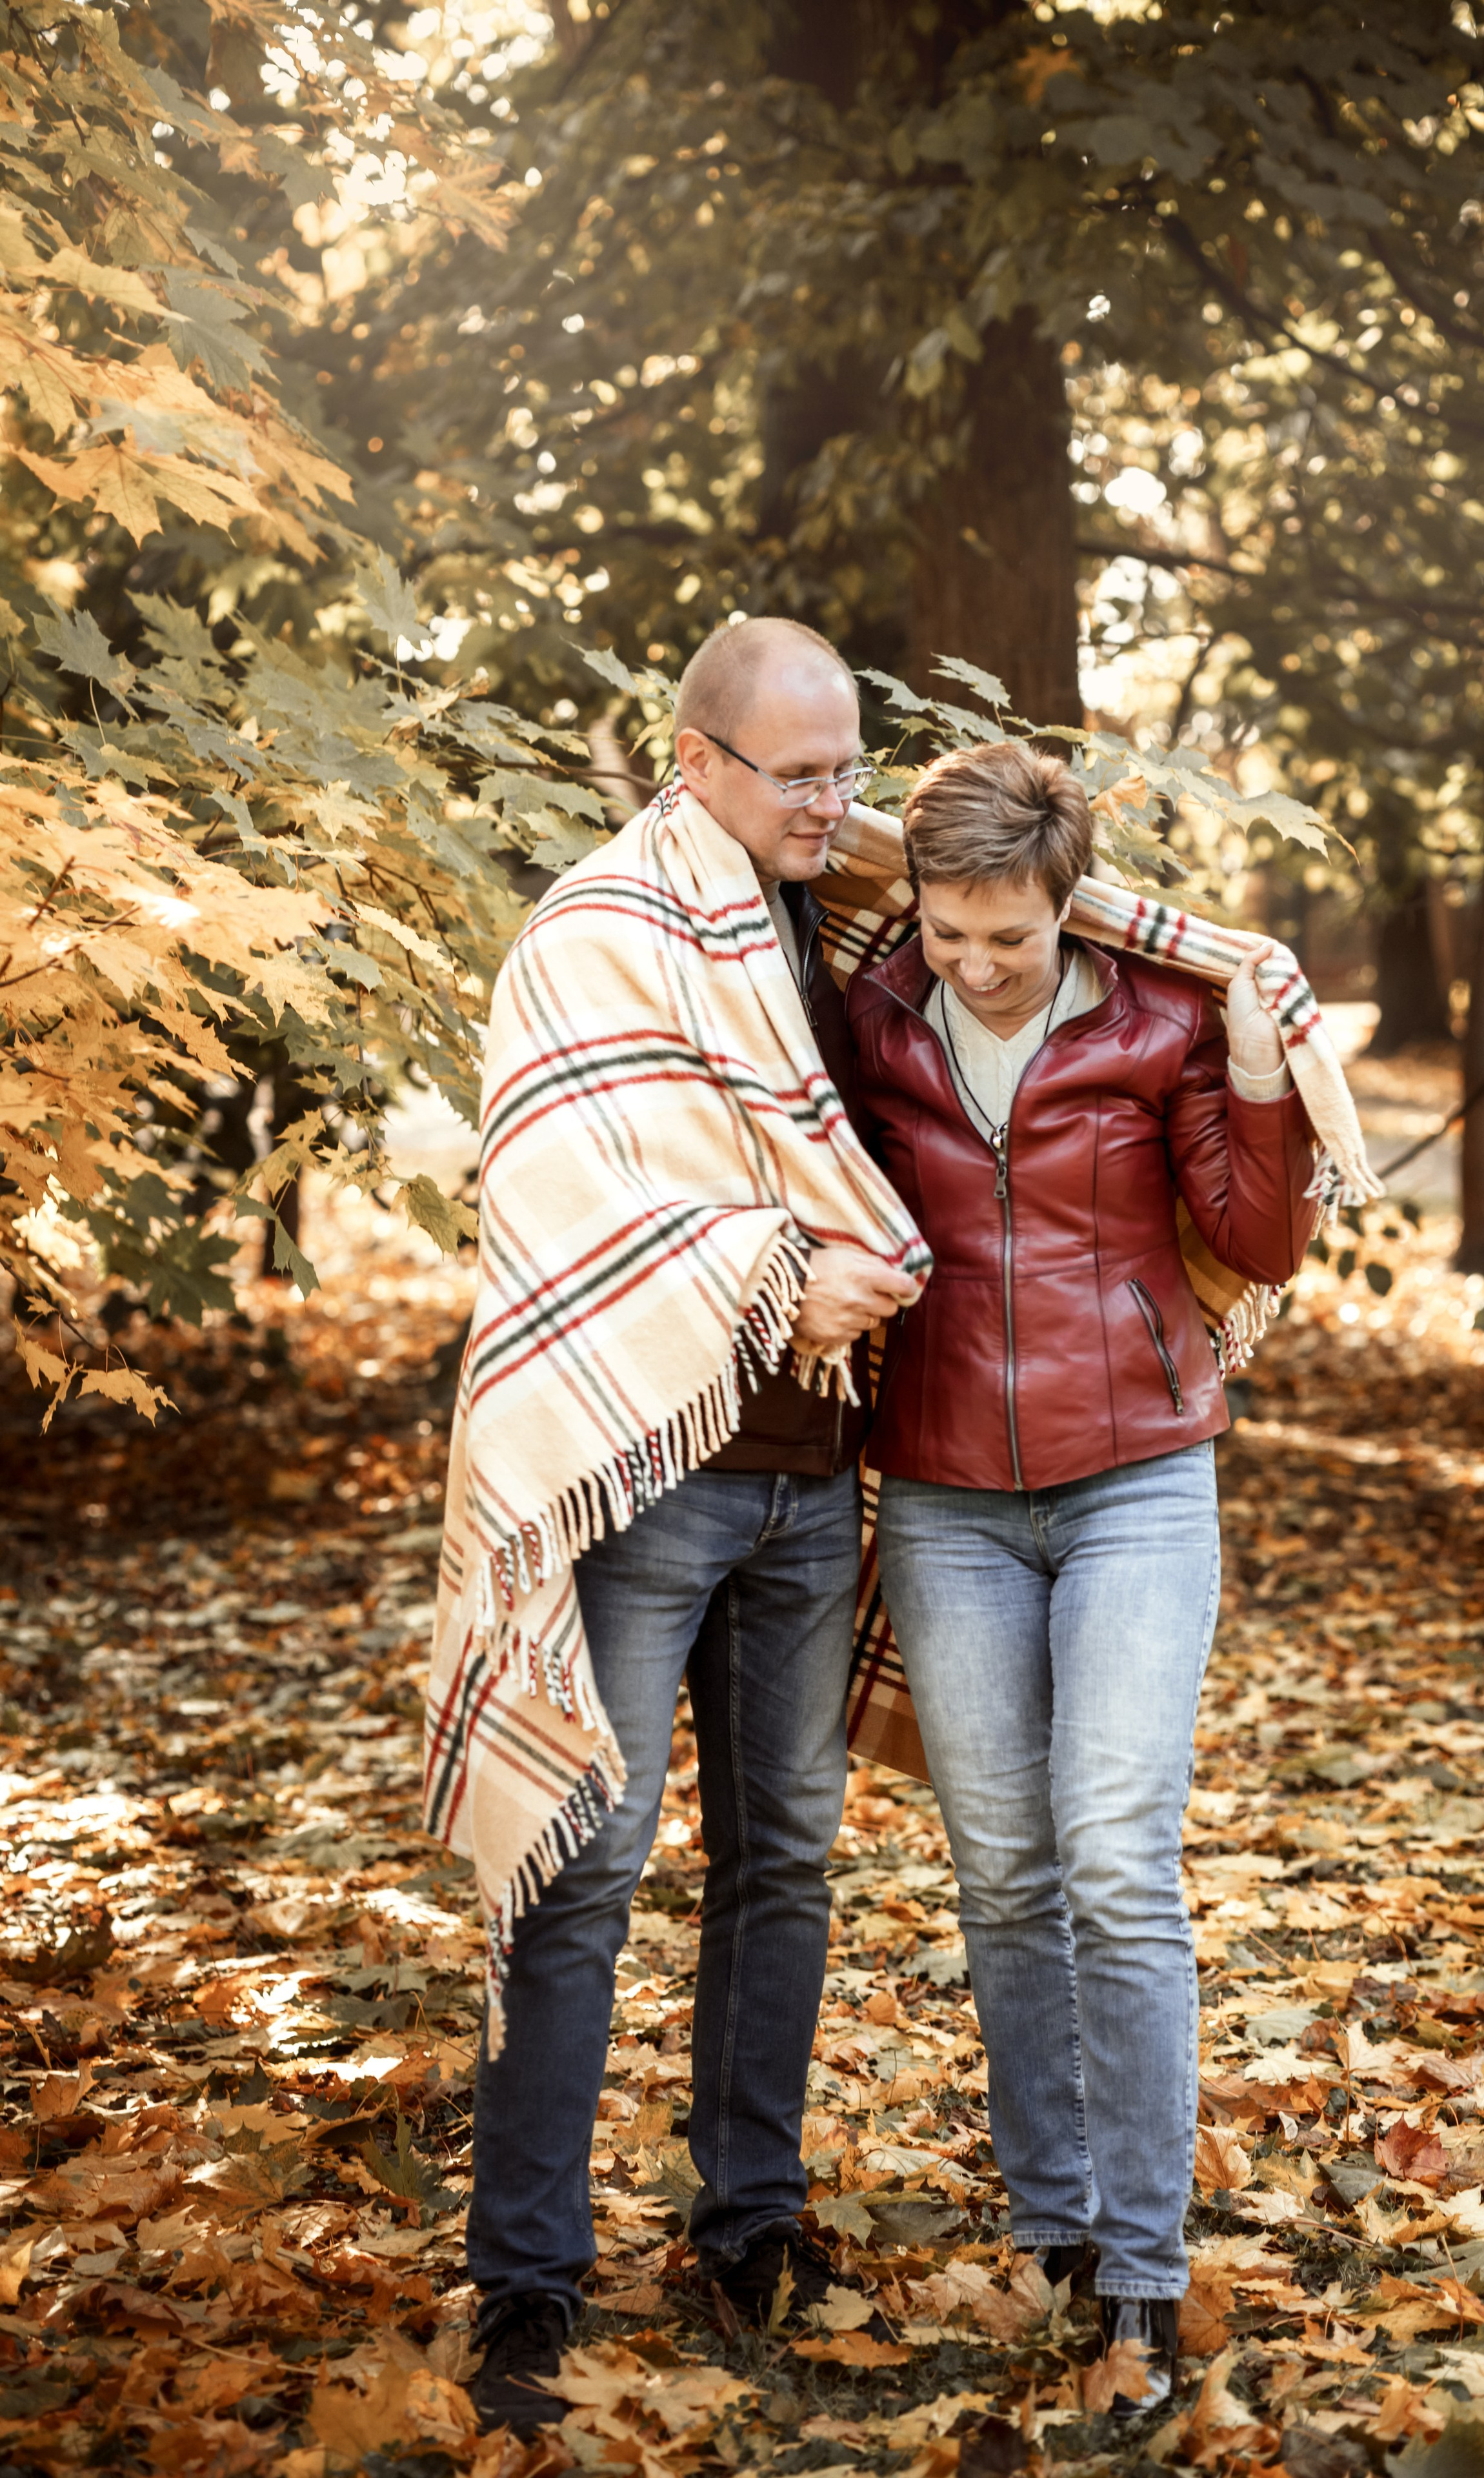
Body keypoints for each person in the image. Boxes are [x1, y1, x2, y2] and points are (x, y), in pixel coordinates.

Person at [451, 619, 925, 2435]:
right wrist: (780, 1268)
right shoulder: (600, 931)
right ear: (693, 757)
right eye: (797, 773)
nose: (831, 802)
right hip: (649, 1466)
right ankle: (525, 2281)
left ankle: (744, 2226)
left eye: (846, 768)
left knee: (785, 1857)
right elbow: (574, 1183)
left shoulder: (854, 909)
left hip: (812, 1475)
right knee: (588, 1859)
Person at [847, 740, 1316, 2410]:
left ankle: (1143, 2268)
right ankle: (1055, 2225)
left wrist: (1253, 1066)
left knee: (1118, 1861)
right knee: (1005, 1877)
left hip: (1138, 1484)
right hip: (948, 1496)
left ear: (1071, 908)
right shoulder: (873, 1016)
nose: (976, 965)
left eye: (1012, 939)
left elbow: (1258, 1242)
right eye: (949, 933)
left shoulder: (1156, 1022)